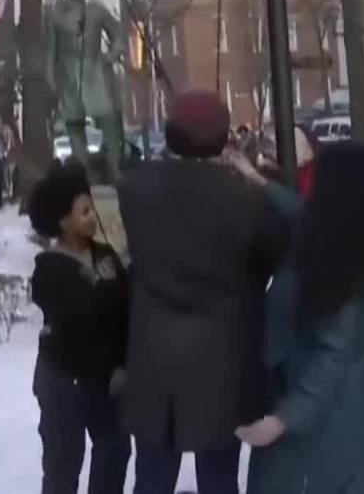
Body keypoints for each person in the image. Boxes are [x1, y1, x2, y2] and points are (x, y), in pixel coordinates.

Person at [117, 90, 289, 494]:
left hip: (153, 359)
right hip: (224, 361)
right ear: (224, 137)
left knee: (152, 477)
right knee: (220, 478)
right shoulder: (245, 198)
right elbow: (272, 256)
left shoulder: (132, 189)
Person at [239, 142, 364, 492]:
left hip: (322, 423)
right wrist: (260, 182)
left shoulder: (342, 274)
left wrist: (282, 420)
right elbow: (304, 216)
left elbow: (332, 356)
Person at [28, 160, 131, 494]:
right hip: (64, 380)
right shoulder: (48, 271)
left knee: (115, 450)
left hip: (107, 380)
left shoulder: (104, 254)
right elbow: (81, 320)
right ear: (63, 221)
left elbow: (125, 306)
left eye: (92, 208)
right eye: (84, 211)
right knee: (64, 462)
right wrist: (104, 291)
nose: (93, 216)